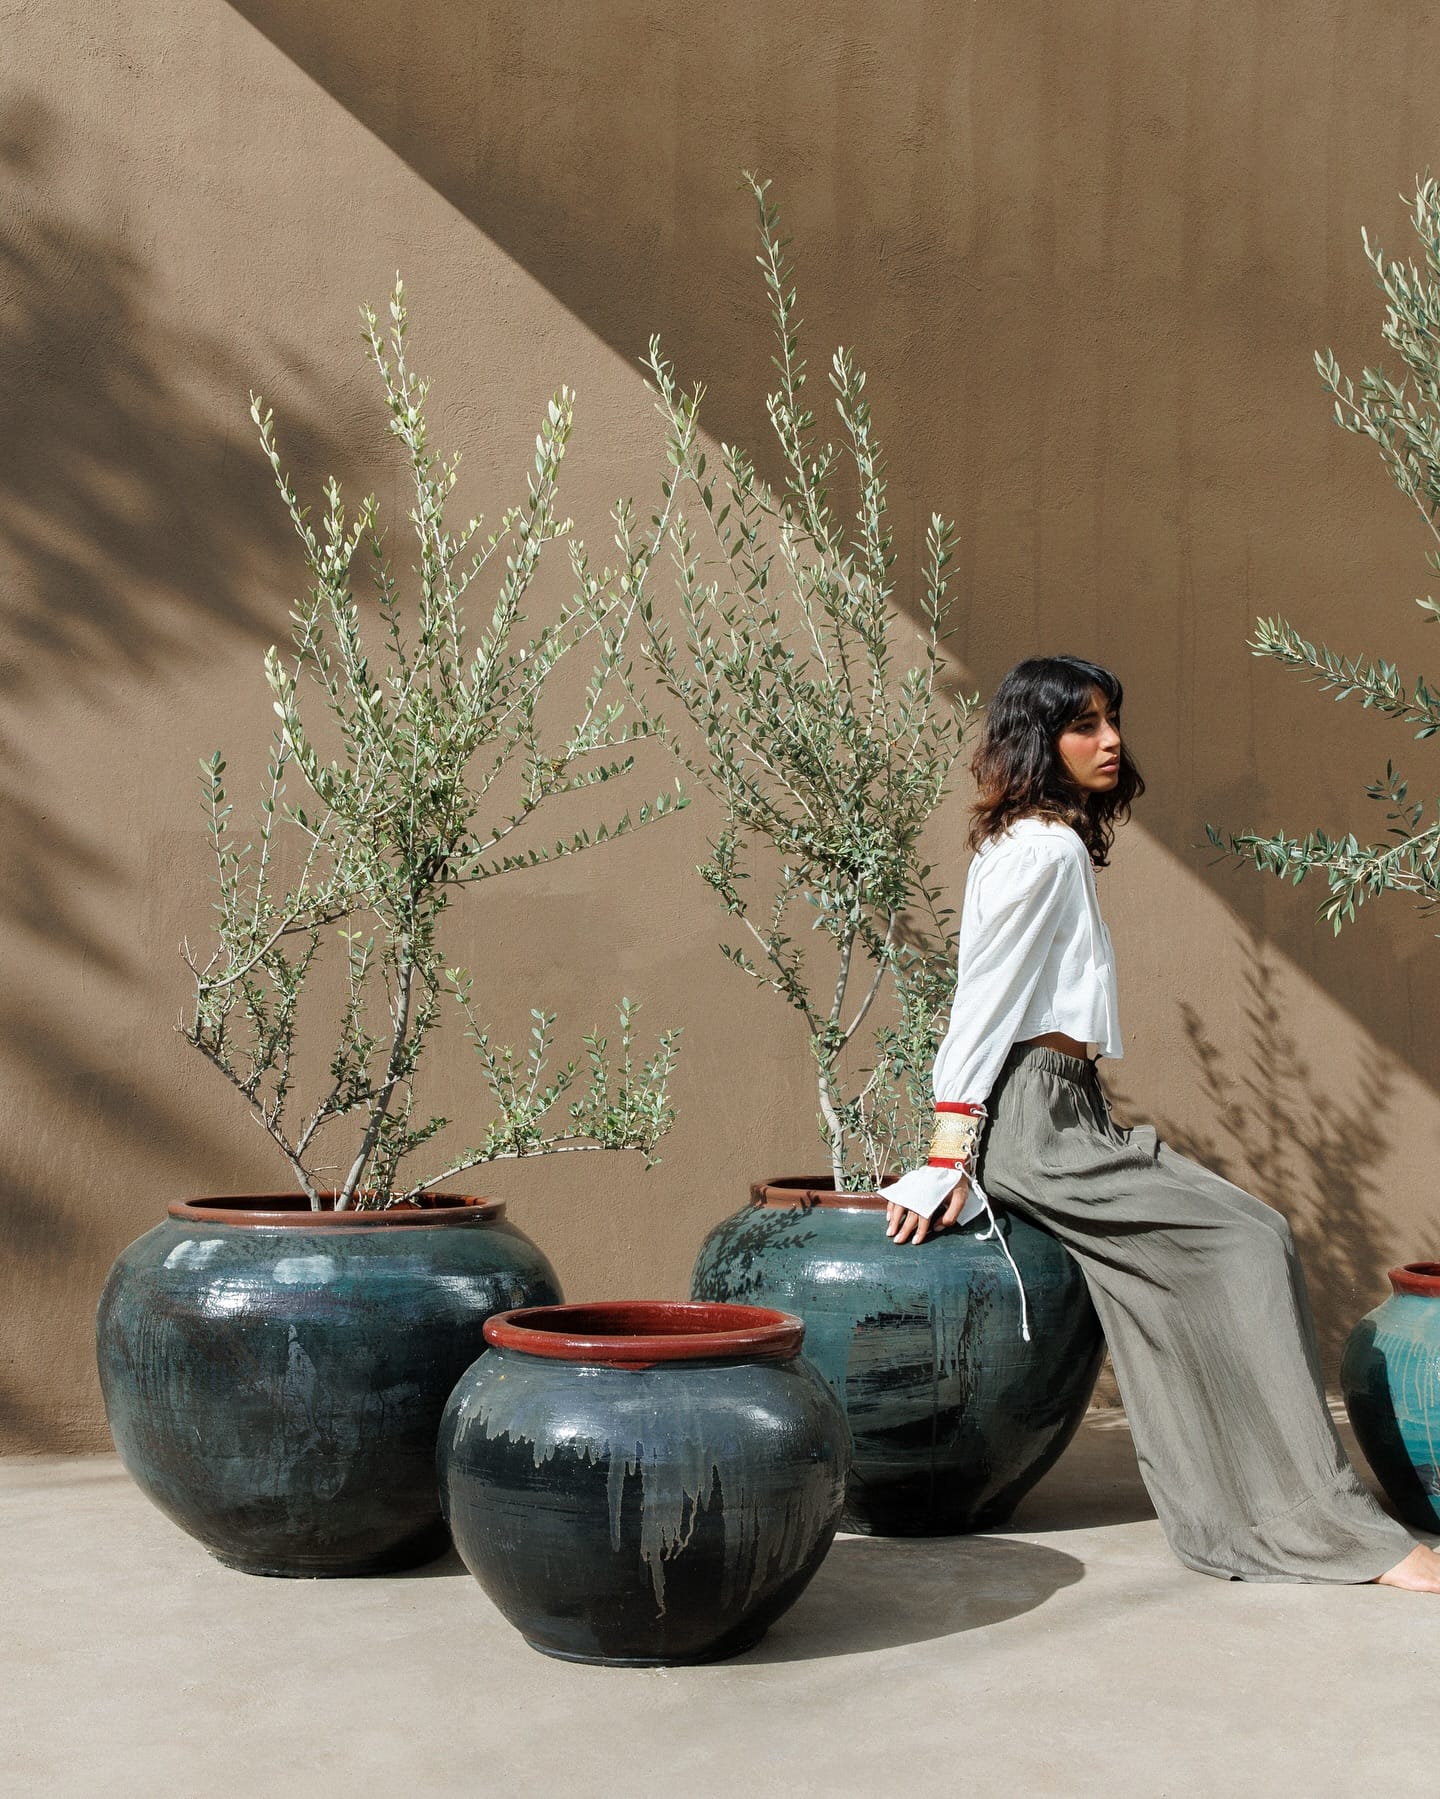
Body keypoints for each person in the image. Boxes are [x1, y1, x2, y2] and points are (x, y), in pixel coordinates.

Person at [882, 655, 1440, 1592]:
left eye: (1112, 720)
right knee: (1251, 1240)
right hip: (1040, 1126)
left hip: (1067, 1109)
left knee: (1240, 1244)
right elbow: (980, 1003)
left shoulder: (1033, 842)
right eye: (1084, 725)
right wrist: (948, 1152)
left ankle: (1250, 1510)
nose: (1111, 741)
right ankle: (1323, 1526)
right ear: (1039, 740)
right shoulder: (1044, 851)